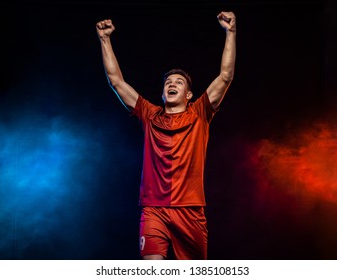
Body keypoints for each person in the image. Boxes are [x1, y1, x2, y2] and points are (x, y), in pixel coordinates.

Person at [96, 11, 236, 260]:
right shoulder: (149, 115)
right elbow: (116, 81)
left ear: (189, 94)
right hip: (153, 211)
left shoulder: (201, 112)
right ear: (162, 94)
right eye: (168, 82)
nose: (172, 84)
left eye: (179, 82)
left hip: (190, 212)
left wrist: (230, 32)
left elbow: (225, 77)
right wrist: (104, 39)